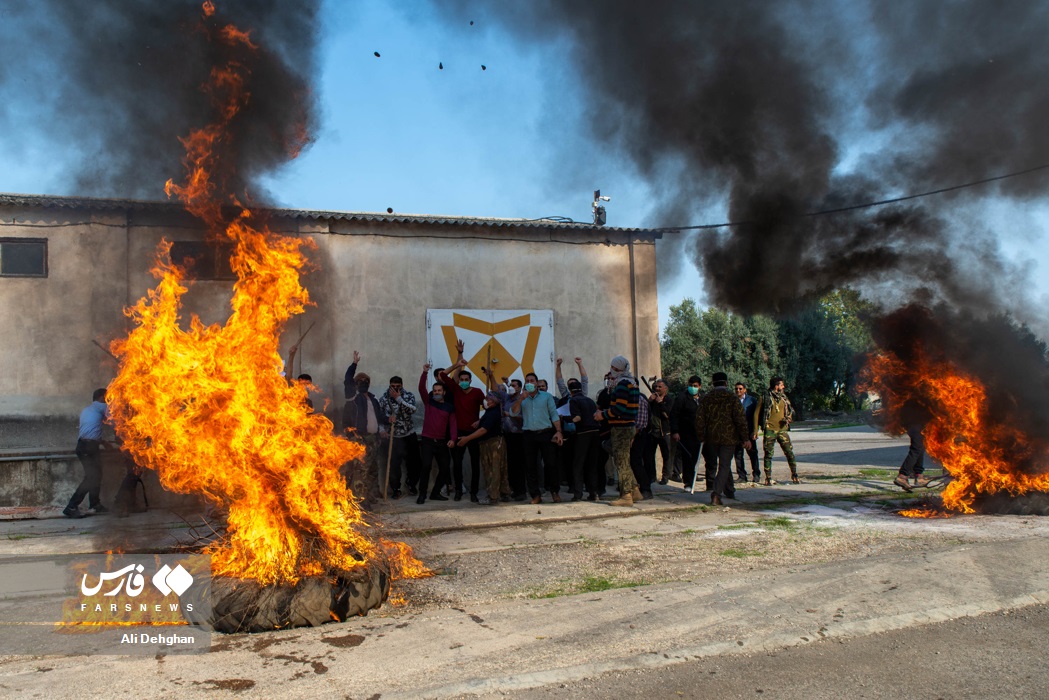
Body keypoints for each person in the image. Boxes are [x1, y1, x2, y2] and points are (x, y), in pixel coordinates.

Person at [438, 340, 487, 502]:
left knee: (474, 464)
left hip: (473, 433)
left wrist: (480, 422)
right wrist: (457, 364)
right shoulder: (456, 390)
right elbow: (442, 375)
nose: (464, 380)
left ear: (471, 381)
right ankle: (459, 490)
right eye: (462, 378)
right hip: (457, 433)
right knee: (457, 464)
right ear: (460, 380)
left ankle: (473, 492)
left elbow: (488, 408)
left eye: (467, 378)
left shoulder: (478, 392)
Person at [696, 372, 753, 506]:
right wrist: (745, 438)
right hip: (729, 437)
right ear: (726, 383)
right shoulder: (732, 398)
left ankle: (729, 490)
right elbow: (740, 420)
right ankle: (716, 494)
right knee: (724, 465)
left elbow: (699, 420)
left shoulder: (706, 398)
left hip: (711, 437)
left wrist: (701, 436)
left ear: (713, 383)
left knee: (722, 465)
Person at [595, 355, 642, 507]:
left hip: (621, 426)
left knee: (621, 462)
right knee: (623, 459)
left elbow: (619, 409)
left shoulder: (622, 385)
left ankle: (626, 495)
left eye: (614, 368)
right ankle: (635, 489)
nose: (612, 371)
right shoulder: (632, 383)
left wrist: (602, 415)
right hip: (629, 425)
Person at [342, 351, 386, 506]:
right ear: (356, 384)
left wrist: (388, 421)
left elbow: (379, 417)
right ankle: (360, 501)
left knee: (373, 470)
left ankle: (371, 496)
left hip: (374, 439)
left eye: (366, 380)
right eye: (360, 381)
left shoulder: (373, 399)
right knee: (361, 470)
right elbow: (347, 380)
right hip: (360, 439)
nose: (363, 382)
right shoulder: (353, 397)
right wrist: (354, 364)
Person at [513, 371, 563, 504]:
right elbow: (513, 412)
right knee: (530, 466)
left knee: (550, 464)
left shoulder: (546, 397)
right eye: (527, 381)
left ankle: (554, 492)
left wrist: (558, 431)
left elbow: (554, 415)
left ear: (536, 383)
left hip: (545, 433)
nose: (530, 383)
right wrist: (520, 399)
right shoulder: (522, 398)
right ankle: (535, 495)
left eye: (532, 381)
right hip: (529, 435)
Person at [64, 388, 112, 518]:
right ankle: (71, 506)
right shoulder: (102, 406)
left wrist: (103, 442)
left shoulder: (87, 410)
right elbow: (116, 422)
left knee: (96, 476)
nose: (110, 400)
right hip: (88, 447)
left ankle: (95, 505)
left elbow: (90, 430)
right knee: (91, 478)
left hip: (85, 445)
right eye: (108, 397)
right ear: (102, 397)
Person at [457, 386, 508, 505]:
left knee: (493, 470)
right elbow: (484, 423)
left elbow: (483, 430)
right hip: (490, 442)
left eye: (489, 399)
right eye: (486, 398)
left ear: (495, 401)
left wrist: (467, 439)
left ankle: (493, 496)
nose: (486, 401)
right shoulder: (490, 411)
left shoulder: (494, 412)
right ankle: (504, 493)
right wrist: (479, 421)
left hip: (493, 443)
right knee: (499, 469)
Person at [416, 363, 457, 504]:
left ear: (444, 392)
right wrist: (425, 373)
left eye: (439, 390)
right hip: (427, 440)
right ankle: (422, 494)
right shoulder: (429, 402)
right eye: (435, 391)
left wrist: (453, 439)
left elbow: (453, 424)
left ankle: (435, 493)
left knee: (445, 468)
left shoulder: (449, 407)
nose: (437, 393)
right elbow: (421, 388)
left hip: (441, 442)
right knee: (426, 466)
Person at [753, 376, 799, 485]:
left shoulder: (783, 397)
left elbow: (790, 411)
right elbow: (756, 413)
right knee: (768, 454)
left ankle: (794, 474)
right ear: (776, 386)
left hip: (782, 430)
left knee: (789, 453)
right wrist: (756, 430)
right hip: (770, 429)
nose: (783, 387)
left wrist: (789, 417)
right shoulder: (765, 397)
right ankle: (768, 477)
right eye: (781, 385)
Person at [378, 375, 418, 500]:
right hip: (393, 436)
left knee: (414, 463)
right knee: (394, 465)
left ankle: (411, 484)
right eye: (392, 386)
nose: (395, 389)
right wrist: (382, 429)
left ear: (402, 385)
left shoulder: (409, 395)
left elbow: (413, 409)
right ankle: (396, 489)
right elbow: (378, 415)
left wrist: (399, 398)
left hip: (408, 434)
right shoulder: (384, 398)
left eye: (397, 386)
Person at [567, 378, 601, 501]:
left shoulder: (573, 400)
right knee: (592, 464)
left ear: (570, 391)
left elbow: (577, 418)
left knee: (578, 464)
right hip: (596, 433)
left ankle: (578, 494)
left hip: (583, 434)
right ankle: (594, 493)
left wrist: (565, 418)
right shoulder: (590, 400)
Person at [670, 375, 703, 494]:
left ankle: (700, 480)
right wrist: (675, 431)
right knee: (687, 459)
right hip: (685, 433)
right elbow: (674, 415)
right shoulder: (682, 398)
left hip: (699, 434)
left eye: (695, 386)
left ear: (699, 386)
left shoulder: (702, 398)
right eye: (690, 386)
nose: (692, 388)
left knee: (696, 458)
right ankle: (688, 482)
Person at [893, 399, 932, 491]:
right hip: (914, 421)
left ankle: (919, 475)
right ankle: (902, 476)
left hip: (915, 422)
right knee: (917, 448)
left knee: (920, 447)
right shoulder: (916, 394)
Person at [500, 376, 527, 500]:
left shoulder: (523, 400)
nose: (511, 388)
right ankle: (512, 489)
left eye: (514, 386)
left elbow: (524, 418)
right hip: (507, 435)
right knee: (509, 464)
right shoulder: (507, 399)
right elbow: (496, 388)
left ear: (520, 388)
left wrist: (511, 415)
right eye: (510, 385)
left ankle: (521, 491)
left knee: (519, 465)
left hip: (518, 435)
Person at [648, 379, 674, 485]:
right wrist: (650, 401)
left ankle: (665, 476)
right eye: (656, 387)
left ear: (665, 389)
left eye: (659, 387)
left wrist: (660, 403)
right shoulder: (652, 400)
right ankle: (651, 476)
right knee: (649, 455)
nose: (657, 389)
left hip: (665, 432)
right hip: (653, 431)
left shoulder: (669, 400)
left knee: (666, 455)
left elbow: (668, 414)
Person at [630, 384, 653, 499]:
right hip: (635, 434)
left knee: (635, 462)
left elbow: (639, 423)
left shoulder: (638, 400)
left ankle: (645, 488)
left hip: (637, 435)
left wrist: (632, 437)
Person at [734, 382, 760, 483]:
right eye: (736, 389)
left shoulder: (751, 401)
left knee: (753, 454)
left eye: (740, 389)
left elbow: (756, 416)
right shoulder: (733, 400)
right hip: (737, 433)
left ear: (745, 389)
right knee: (738, 455)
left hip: (749, 432)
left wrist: (755, 430)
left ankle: (756, 474)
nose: (738, 391)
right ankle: (741, 476)